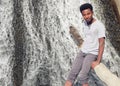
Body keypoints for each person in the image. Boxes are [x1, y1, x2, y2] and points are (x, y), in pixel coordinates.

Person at [64, 3, 105, 86]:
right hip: (83, 51)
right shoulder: (84, 23)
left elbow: (102, 43)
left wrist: (98, 60)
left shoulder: (99, 26)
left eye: (88, 14)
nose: (87, 16)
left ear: (92, 13)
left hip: (92, 53)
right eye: (84, 15)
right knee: (71, 75)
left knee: (82, 77)